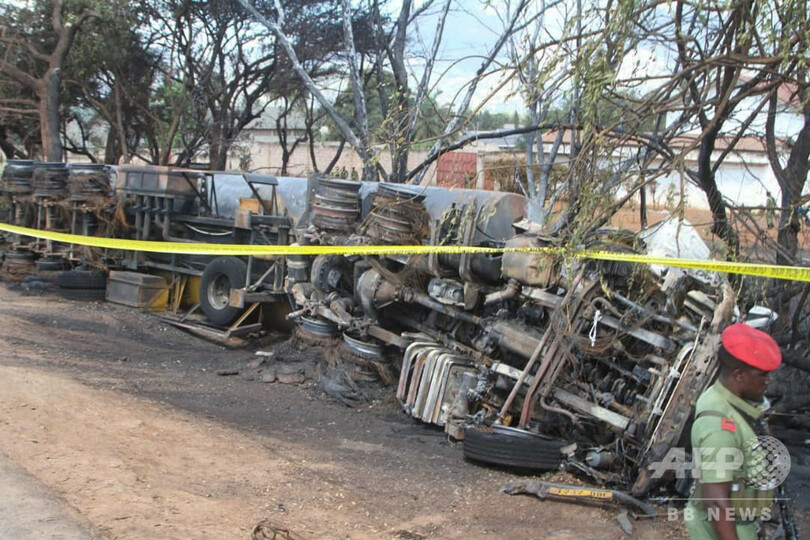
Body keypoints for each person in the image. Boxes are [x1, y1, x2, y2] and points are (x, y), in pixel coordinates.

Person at [686, 323, 782, 540]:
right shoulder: (720, 426)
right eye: (762, 375)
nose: (768, 381)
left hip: (743, 523)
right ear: (739, 375)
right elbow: (716, 502)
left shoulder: (737, 404)